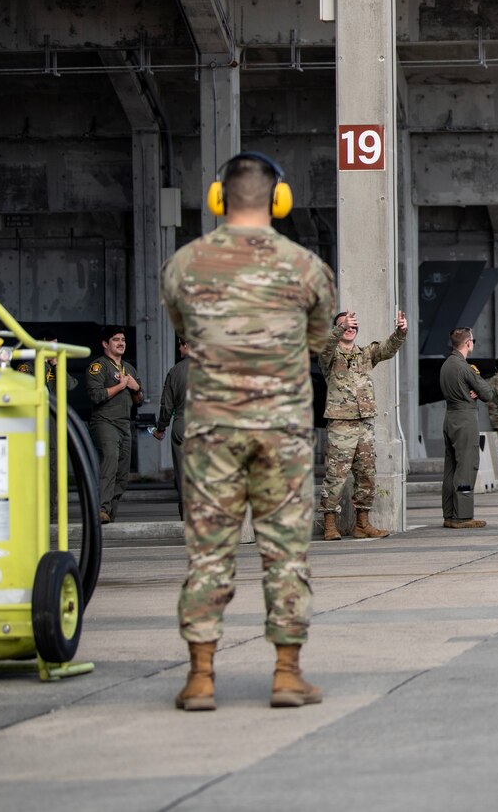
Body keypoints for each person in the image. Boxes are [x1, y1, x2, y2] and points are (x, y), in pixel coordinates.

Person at [160, 151, 336, 712]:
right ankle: (286, 674)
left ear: (219, 199)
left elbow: (185, 330)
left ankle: (200, 678)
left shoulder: (186, 264)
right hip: (282, 433)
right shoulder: (306, 267)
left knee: (208, 552)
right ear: (278, 200)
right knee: (285, 552)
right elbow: (316, 343)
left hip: (212, 432)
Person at [314, 307, 405, 541]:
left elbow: (386, 349)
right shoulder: (330, 355)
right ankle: (329, 524)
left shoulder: (365, 354)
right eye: (345, 325)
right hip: (341, 424)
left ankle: (362, 524)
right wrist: (339, 327)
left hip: (364, 423)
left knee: (366, 474)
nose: (350, 329)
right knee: (336, 475)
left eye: (353, 326)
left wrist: (400, 332)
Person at [77, 329, 142, 524]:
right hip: (105, 422)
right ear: (105, 344)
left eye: (123, 340)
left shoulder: (129, 369)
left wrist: (135, 388)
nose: (121, 343)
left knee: (122, 471)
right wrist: (121, 386)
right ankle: (101, 508)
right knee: (110, 461)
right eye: (116, 340)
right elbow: (96, 396)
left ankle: (109, 514)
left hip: (124, 423)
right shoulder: (98, 367)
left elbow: (139, 400)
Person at [439, 327, 496, 529]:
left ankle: (449, 514)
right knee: (466, 465)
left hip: (450, 417)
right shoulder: (464, 367)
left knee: (451, 467)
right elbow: (487, 393)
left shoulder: (446, 365)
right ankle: (463, 516)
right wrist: (474, 390)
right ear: (468, 343)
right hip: (465, 418)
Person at [153, 340, 190, 519]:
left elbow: (167, 406)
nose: (179, 348)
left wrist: (160, 428)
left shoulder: (175, 371)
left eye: (181, 345)